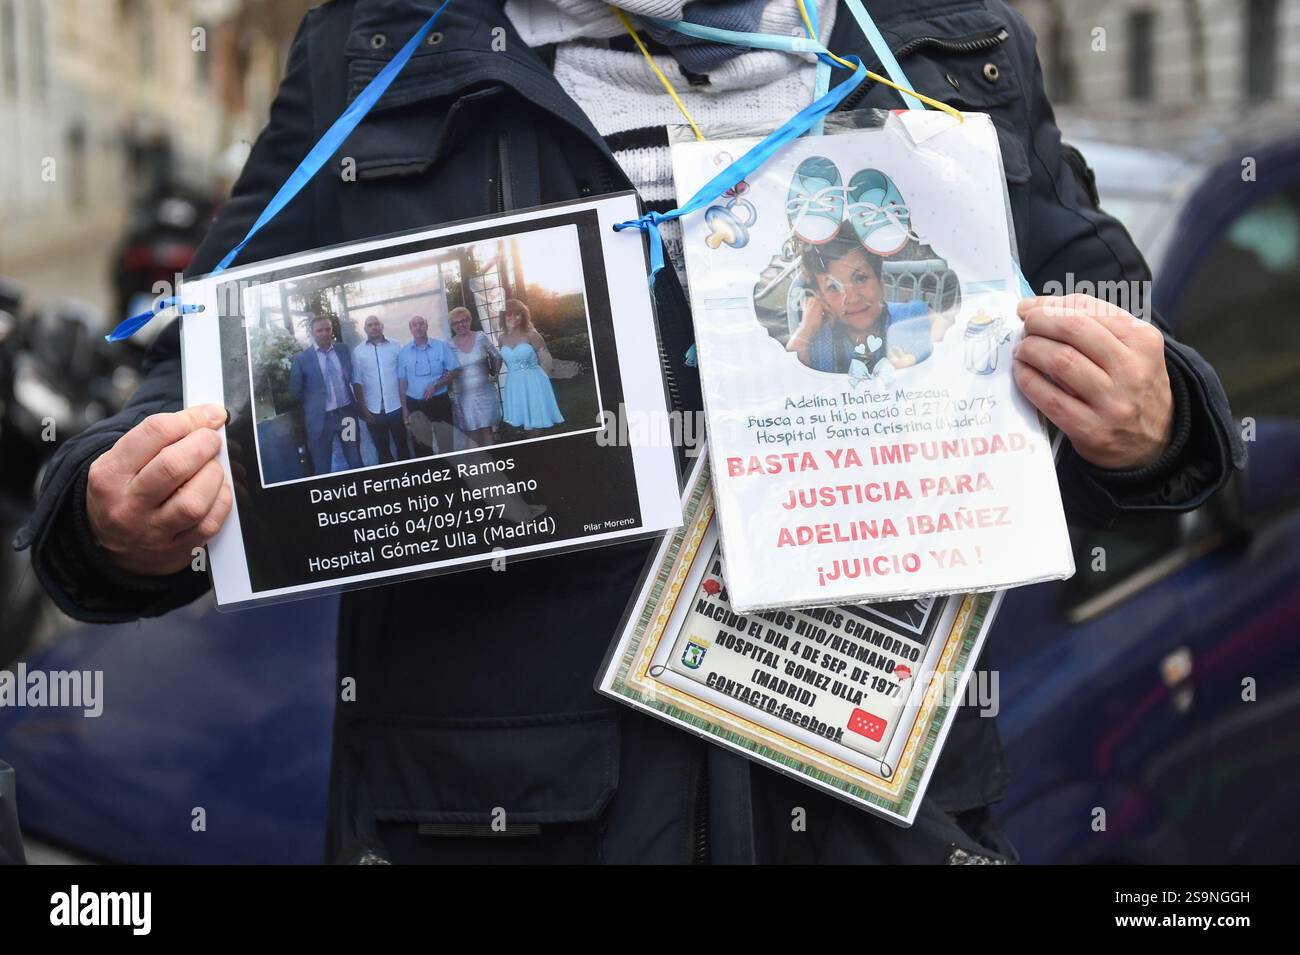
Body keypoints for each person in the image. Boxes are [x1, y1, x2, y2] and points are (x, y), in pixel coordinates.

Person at [16, 1, 1243, 864]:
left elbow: (1136, 370)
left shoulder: (942, 41)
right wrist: (119, 523)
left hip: (878, 814)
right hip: (500, 823)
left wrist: (1153, 420)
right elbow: (179, 404)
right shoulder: (376, 54)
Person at [787, 228, 954, 374]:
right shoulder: (816, 341)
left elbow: (956, 346)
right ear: (820, 298)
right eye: (833, 287)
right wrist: (806, 330)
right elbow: (789, 380)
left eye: (860, 278)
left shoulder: (913, 318)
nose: (852, 297)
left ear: (879, 280)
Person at [287, 314, 363, 476]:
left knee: (355, 460)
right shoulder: (302, 359)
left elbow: (351, 376)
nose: (324, 333)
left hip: (346, 415)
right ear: (312, 333)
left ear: (332, 330)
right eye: (320, 330)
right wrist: (313, 404)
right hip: (320, 420)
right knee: (322, 467)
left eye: (327, 329)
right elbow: (295, 391)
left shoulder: (343, 350)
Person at [397, 312, 460, 455]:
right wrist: (405, 409)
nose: (418, 327)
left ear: (426, 326)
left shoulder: (441, 346)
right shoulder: (404, 352)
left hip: (439, 401)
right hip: (415, 403)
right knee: (421, 446)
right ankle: (428, 474)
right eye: (414, 325)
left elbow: (456, 370)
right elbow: (402, 382)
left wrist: (436, 385)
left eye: (421, 324)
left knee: (446, 443)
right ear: (410, 329)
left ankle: (449, 474)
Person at [352, 314, 411, 464]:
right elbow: (357, 382)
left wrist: (406, 406)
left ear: (382, 326)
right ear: (365, 329)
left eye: (376, 324)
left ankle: (409, 479)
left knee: (403, 446)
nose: (374, 327)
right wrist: (363, 409)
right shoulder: (358, 352)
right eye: (370, 325)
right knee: (382, 450)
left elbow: (404, 375)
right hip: (373, 410)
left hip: (396, 406)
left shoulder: (396, 346)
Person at [499, 299, 564, 434]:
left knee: (536, 421)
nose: (513, 318)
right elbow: (507, 361)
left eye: (517, 314)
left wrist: (542, 378)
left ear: (523, 315)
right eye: (509, 315)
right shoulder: (501, 338)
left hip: (533, 381)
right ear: (503, 317)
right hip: (514, 382)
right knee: (524, 419)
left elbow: (546, 359)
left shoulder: (531, 335)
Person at [448, 307, 503, 447]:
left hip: (485, 391)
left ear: (470, 320)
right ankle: (478, 464)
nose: (461, 325)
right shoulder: (448, 345)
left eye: (464, 320)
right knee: (472, 433)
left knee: (487, 430)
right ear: (452, 326)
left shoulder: (481, 337)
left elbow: (497, 356)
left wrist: (495, 374)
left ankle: (492, 463)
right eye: (456, 323)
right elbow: (446, 369)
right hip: (464, 396)